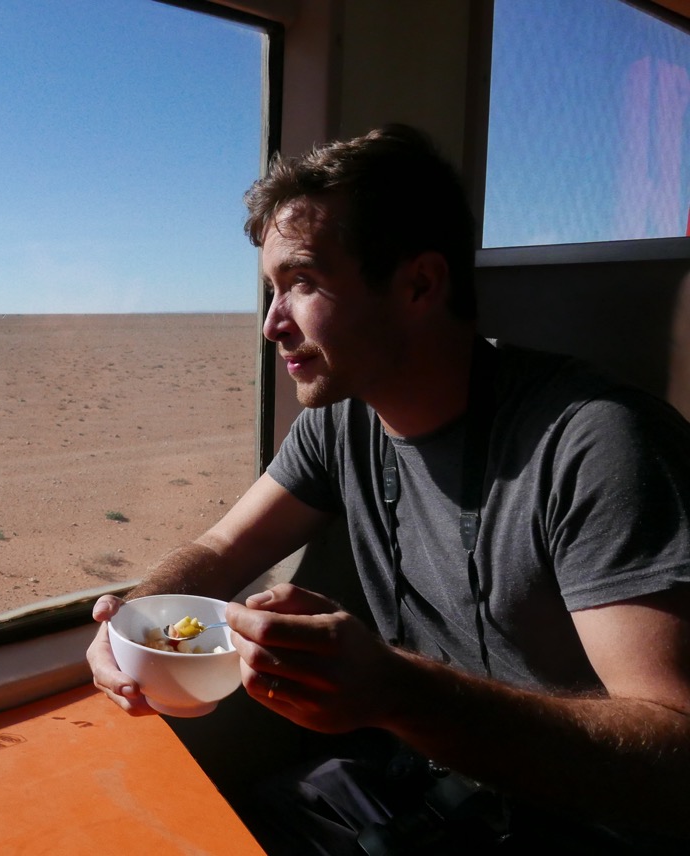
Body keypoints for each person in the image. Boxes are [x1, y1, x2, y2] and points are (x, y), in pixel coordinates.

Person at [86, 124, 690, 854]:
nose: (273, 325)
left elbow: (674, 754)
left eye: (303, 282)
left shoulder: (595, 444)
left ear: (419, 284)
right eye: (272, 291)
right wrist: (129, 622)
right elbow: (222, 547)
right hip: (438, 776)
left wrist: (398, 692)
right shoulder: (344, 421)